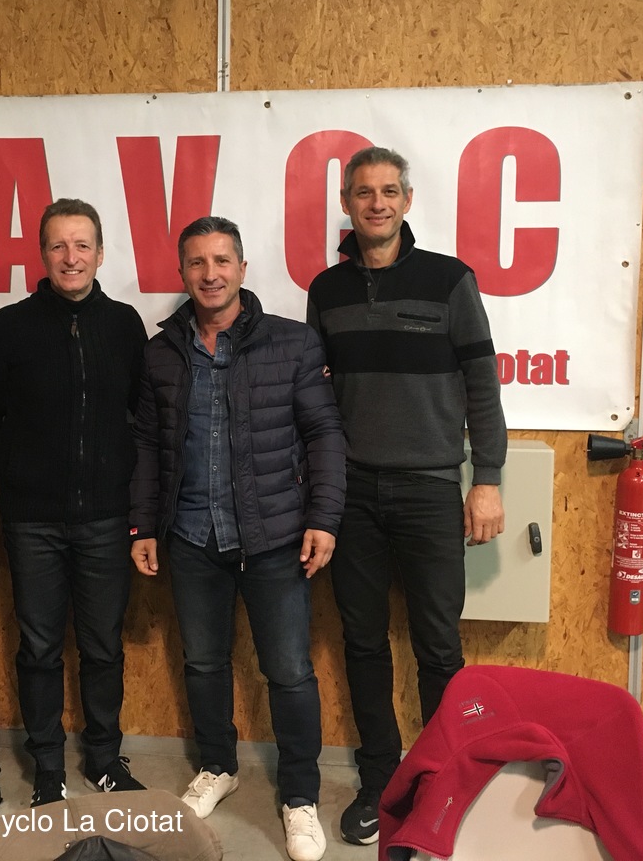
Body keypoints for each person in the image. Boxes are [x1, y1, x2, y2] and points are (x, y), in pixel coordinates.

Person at [306, 146, 507, 847]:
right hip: (353, 494)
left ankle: (446, 780)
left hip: (429, 488)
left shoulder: (450, 281)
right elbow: (316, 398)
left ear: (408, 201)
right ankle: (381, 781)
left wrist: (487, 480)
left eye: (389, 191)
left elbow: (482, 385)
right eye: (364, 193)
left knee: (438, 648)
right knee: (362, 643)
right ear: (347, 203)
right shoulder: (326, 290)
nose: (377, 203)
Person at [130, 216, 345, 861]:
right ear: (182, 272)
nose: (210, 274)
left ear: (243, 269)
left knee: (289, 671)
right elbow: (146, 445)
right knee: (202, 662)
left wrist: (324, 518)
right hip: (192, 535)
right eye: (197, 262)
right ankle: (218, 766)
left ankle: (300, 795)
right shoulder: (161, 353)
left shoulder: (292, 342)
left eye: (222, 261)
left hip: (275, 537)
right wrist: (144, 525)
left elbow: (324, 434)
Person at [0, 198, 149, 806]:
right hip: (32, 522)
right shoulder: (11, 326)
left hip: (106, 520)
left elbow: (146, 421)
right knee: (39, 649)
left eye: (82, 245)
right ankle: (47, 767)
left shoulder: (124, 325)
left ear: (100, 253)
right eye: (59, 246)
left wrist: (144, 511)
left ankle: (104, 759)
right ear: (42, 255)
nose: (71, 257)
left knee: (103, 647)